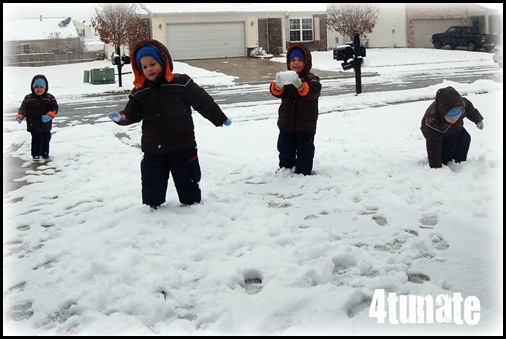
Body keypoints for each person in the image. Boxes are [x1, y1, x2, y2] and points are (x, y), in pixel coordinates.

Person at [107, 40, 231, 209]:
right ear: (139, 69)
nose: (149, 69)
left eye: (153, 64)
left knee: (189, 187)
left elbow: (202, 101)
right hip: (153, 149)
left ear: (163, 62)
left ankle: (193, 207)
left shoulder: (181, 83)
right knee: (152, 186)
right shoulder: (140, 91)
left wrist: (219, 117)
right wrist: (123, 117)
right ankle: (153, 209)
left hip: (183, 145)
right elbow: (133, 112)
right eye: (144, 67)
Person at [270, 43, 322, 175]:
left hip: (306, 125)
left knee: (305, 150)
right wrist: (277, 85)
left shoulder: (312, 79)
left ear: (306, 62)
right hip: (287, 123)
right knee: (285, 148)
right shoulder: (286, 79)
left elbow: (313, 92)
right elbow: (276, 92)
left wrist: (300, 86)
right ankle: (286, 169)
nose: (296, 63)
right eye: (293, 60)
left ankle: (303, 172)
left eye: (300, 60)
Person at [420, 86, 484, 168]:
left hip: (455, 128)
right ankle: (446, 161)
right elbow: (433, 148)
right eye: (450, 118)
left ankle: (459, 162)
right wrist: (436, 166)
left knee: (465, 138)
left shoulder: (461, 105)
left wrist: (478, 119)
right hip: (439, 132)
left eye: (457, 117)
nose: (454, 120)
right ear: (444, 114)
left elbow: (469, 109)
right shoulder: (433, 122)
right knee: (450, 144)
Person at [16, 74, 58, 160]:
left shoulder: (50, 98)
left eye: (41, 87)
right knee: (36, 139)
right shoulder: (28, 98)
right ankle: (36, 155)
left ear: (45, 88)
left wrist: (50, 115)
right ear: (33, 88)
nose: (39, 89)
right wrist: (21, 115)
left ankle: (45, 153)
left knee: (46, 139)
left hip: (45, 124)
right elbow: (23, 108)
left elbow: (54, 107)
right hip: (33, 124)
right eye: (37, 87)